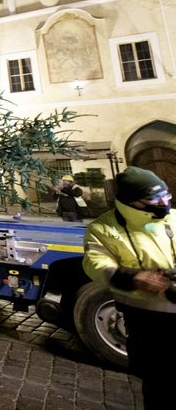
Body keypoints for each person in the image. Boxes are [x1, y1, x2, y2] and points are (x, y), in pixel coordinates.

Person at [82, 166, 175, 410]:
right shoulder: (103, 228)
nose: (164, 202)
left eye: (167, 195)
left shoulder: (174, 217)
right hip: (147, 323)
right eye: (155, 198)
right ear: (133, 201)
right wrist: (132, 278)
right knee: (160, 386)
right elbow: (95, 263)